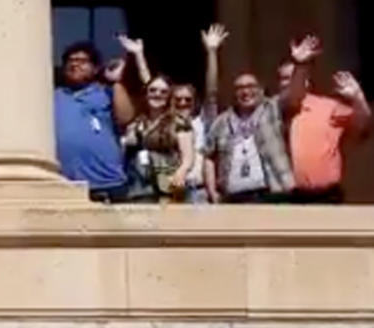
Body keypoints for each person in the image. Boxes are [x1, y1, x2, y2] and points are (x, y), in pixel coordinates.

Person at [204, 31, 317, 204]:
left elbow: (295, 93)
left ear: (261, 90)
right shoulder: (222, 121)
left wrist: (300, 64)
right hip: (233, 197)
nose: (245, 91)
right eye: (240, 88)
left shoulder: (271, 109)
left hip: (272, 193)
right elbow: (208, 156)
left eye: (250, 86)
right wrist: (212, 191)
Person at [276, 53, 371, 203]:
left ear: (306, 81)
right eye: (283, 78)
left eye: (291, 77)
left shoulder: (328, 107)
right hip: (292, 196)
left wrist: (358, 98)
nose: (286, 83)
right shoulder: (274, 109)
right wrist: (301, 64)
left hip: (328, 195)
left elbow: (363, 125)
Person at [54, 41, 136, 202]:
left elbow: (126, 117)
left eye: (82, 61)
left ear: (96, 69)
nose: (75, 64)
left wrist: (116, 82)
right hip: (65, 185)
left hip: (107, 184)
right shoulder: (53, 96)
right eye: (71, 61)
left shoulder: (106, 92)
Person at [122, 75, 196, 202]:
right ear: (146, 94)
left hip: (168, 185)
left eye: (163, 92)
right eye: (153, 90)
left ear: (169, 97)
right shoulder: (136, 124)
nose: (157, 94)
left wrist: (180, 174)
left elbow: (188, 157)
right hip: (139, 187)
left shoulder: (178, 123)